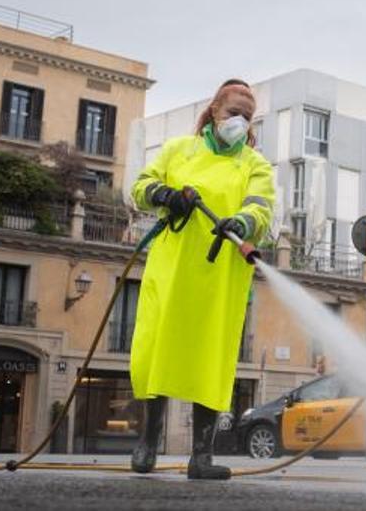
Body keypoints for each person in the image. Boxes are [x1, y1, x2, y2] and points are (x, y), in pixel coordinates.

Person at [128, 79, 274, 479]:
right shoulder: (178, 150)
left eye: (247, 117)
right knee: (155, 350)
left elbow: (261, 211)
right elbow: (139, 189)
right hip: (171, 269)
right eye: (233, 113)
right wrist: (167, 196)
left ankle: (201, 457)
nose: (239, 122)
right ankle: (147, 444)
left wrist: (241, 221)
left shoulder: (254, 164)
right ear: (213, 112)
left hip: (220, 275)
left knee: (211, 357)